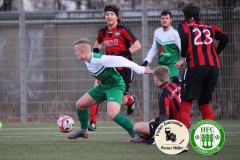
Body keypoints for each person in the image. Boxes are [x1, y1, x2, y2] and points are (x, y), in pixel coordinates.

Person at [67, 38, 152, 140]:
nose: (75, 53)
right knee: (80, 105)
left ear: (82, 51)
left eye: (76, 51)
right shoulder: (87, 60)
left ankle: (136, 135)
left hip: (115, 85)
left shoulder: (100, 59)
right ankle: (83, 130)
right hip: (104, 86)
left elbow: (121, 59)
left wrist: (140, 69)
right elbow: (100, 73)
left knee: (112, 113)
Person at [88, 1, 142, 131]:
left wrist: (122, 55)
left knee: (122, 100)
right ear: (104, 17)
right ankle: (92, 122)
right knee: (96, 89)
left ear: (116, 16)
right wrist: (94, 57)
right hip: (109, 69)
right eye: (107, 14)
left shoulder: (123, 29)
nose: (109, 16)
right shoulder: (102, 32)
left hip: (124, 69)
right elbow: (97, 43)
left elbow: (137, 45)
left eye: (112, 14)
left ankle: (131, 100)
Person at [175, 2, 229, 128]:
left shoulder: (184, 25)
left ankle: (182, 138)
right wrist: (216, 52)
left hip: (196, 66)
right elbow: (225, 38)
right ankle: (210, 136)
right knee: (204, 102)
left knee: (186, 101)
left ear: (184, 15)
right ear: (199, 14)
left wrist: (183, 57)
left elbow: (184, 38)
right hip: (214, 67)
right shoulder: (209, 26)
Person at [129, 66, 181, 145]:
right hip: (182, 120)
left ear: (156, 78)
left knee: (137, 127)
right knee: (153, 121)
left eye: (154, 77)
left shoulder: (164, 93)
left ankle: (168, 136)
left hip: (174, 125)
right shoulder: (175, 84)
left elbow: (164, 118)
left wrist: (156, 137)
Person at [141, 10, 181, 80]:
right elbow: (154, 48)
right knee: (162, 86)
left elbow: (182, 49)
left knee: (169, 86)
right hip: (161, 65)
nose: (164, 20)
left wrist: (185, 61)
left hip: (173, 66)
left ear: (171, 20)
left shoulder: (175, 33)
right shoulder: (157, 32)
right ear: (160, 19)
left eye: (167, 18)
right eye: (162, 18)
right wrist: (146, 61)